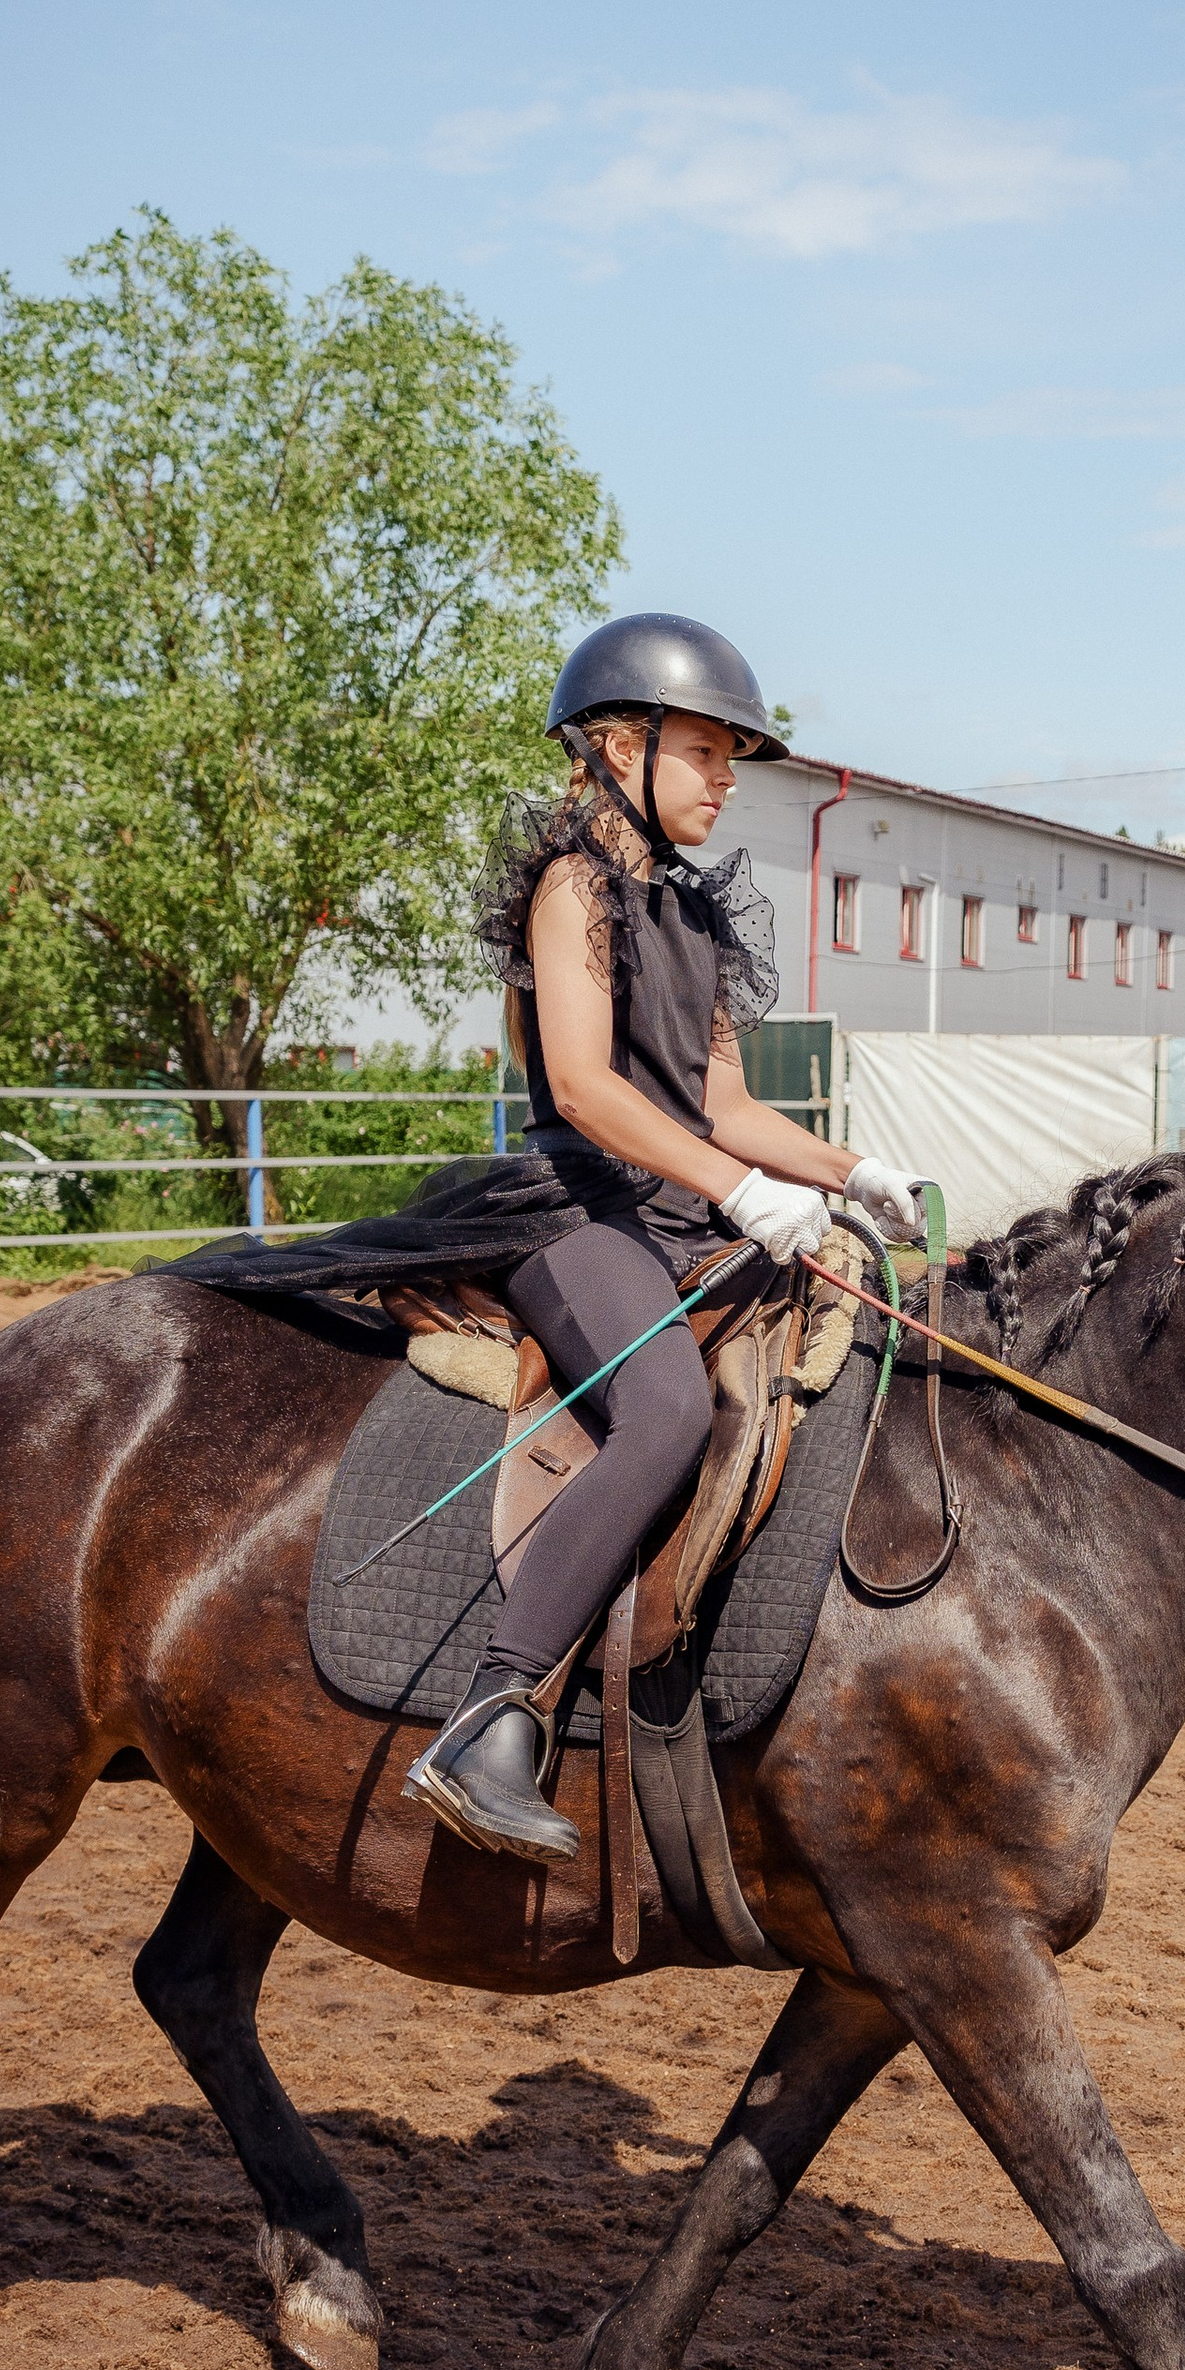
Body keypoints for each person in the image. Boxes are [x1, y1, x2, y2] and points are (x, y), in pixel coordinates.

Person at [404, 611, 926, 1864]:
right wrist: (740, 1192)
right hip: (575, 1205)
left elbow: (729, 1105)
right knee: (666, 1412)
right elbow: (583, 1086)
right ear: (618, 747)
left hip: (677, 1201)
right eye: (706, 750)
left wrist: (853, 1169)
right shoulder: (572, 888)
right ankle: (489, 1715)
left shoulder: (694, 912)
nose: (727, 777)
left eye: (732, 755)